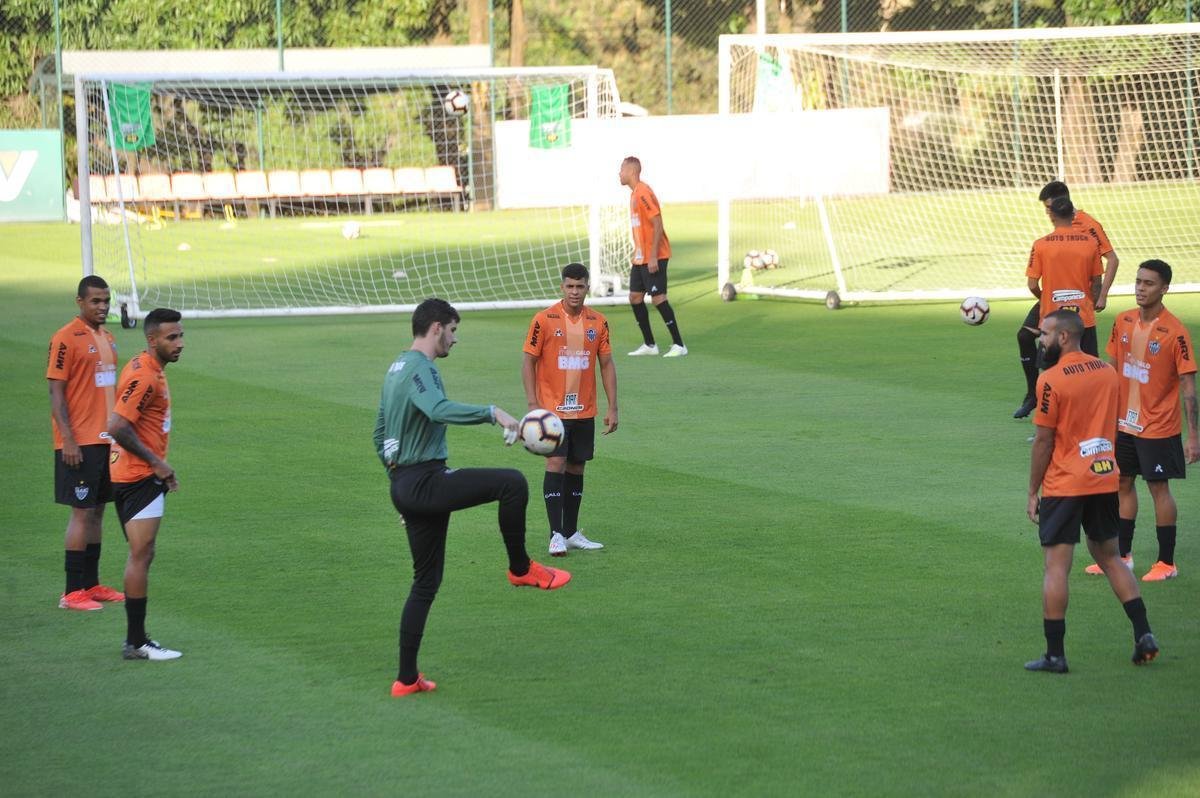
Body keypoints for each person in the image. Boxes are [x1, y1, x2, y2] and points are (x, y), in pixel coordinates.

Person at [377, 298, 571, 698]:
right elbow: (436, 408)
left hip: (407, 484)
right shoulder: (419, 368)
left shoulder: (394, 369)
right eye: (453, 330)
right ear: (435, 328)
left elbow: (380, 435)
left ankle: (406, 679)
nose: (455, 339)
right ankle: (520, 568)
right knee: (512, 483)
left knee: (425, 583)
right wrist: (493, 412)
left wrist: (399, 489)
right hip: (424, 481)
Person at [1025, 309, 1158, 673]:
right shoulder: (1107, 371)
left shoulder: (1050, 380)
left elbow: (1043, 440)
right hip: (1103, 477)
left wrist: (1033, 490)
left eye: (1046, 334)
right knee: (1111, 557)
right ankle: (1144, 633)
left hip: (1066, 483)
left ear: (1064, 337)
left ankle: (1055, 655)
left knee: (1056, 567)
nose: (1041, 340)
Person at [1085, 259, 1198, 581]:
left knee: (1158, 488)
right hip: (1124, 424)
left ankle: (1167, 563)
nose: (1140, 288)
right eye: (1138, 282)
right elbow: (1110, 367)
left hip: (1159, 426)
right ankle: (1122, 555)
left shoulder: (1175, 332)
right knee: (1122, 482)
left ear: (1164, 288)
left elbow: (1189, 386)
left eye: (1148, 283)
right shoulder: (1123, 321)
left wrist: (1193, 437)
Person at [522, 263, 619, 557]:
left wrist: (613, 406)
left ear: (588, 287)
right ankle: (555, 535)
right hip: (552, 412)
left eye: (580, 286)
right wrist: (532, 404)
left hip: (584, 410)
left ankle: (571, 531)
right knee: (555, 465)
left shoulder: (598, 322)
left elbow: (606, 364)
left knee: (577, 466)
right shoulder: (544, 320)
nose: (574, 292)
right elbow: (528, 360)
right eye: (569, 286)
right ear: (562, 287)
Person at [108, 308, 185, 661]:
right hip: (138, 476)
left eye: (181, 336)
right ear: (152, 339)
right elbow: (118, 426)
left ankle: (136, 640)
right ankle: (136, 642)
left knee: (143, 554)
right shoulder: (146, 378)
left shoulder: (148, 368)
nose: (179, 343)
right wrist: (158, 464)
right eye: (172, 338)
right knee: (141, 555)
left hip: (135, 473)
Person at [48, 275, 125, 611]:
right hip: (80, 441)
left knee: (96, 513)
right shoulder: (65, 339)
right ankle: (71, 591)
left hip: (107, 440)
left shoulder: (107, 336)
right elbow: (55, 391)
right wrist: (67, 439)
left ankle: (91, 584)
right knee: (81, 513)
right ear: (80, 301)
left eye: (105, 300)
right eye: (95, 301)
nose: (102, 306)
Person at [1014, 181, 1118, 418]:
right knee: (1024, 335)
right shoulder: (1064, 239)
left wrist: (1101, 296)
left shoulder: (1089, 226)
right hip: (1056, 296)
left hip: (1068, 299)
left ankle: (1069, 413)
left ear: (1063, 203)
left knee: (1073, 360)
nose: (1047, 213)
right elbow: (1095, 274)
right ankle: (1033, 395)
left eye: (1049, 207)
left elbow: (1112, 259)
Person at [619, 155, 687, 358]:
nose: (619, 173)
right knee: (635, 297)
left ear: (632, 171)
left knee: (658, 298)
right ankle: (650, 344)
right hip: (640, 258)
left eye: (621, 169)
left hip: (654, 256)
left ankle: (679, 345)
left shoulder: (643, 192)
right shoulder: (633, 194)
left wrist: (654, 256)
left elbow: (657, 223)